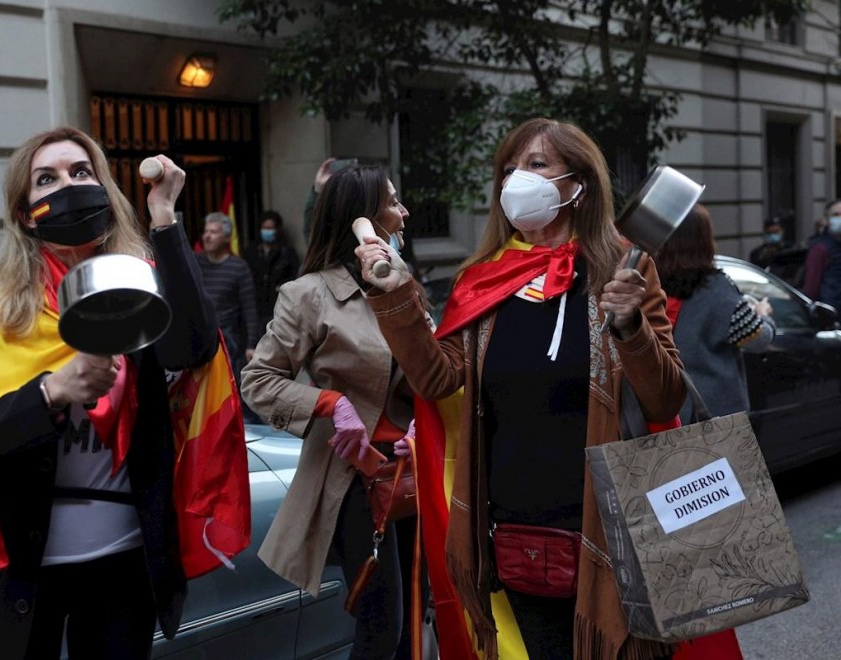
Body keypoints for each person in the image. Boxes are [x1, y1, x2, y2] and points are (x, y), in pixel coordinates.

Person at [356, 117, 687, 660]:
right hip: (518, 537)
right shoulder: (483, 277)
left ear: (578, 186)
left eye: (536, 165)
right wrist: (395, 297)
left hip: (613, 530)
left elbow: (665, 399)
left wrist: (631, 328)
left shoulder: (625, 269)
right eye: (508, 169)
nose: (516, 180)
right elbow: (437, 377)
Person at [0, 126, 250, 660]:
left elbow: (195, 348)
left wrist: (165, 219)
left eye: (81, 172)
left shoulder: (138, 284)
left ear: (104, 188)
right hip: (27, 567)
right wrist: (53, 392)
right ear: (23, 211)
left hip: (123, 560)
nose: (69, 185)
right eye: (47, 179)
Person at [241, 164, 419, 660]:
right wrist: (330, 404)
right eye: (392, 202)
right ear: (361, 220)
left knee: (411, 628)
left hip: (411, 472)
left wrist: (422, 425)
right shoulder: (308, 295)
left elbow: (429, 375)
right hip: (355, 480)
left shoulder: (400, 283)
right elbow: (257, 380)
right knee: (382, 627)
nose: (403, 213)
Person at [656, 204, 775, 422]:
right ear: (703, 240)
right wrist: (763, 313)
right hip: (711, 414)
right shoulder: (715, 288)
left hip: (663, 408)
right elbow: (758, 339)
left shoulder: (649, 281)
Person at [196, 211, 262, 377]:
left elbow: (250, 309)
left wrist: (251, 344)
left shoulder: (238, 267)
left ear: (227, 238)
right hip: (199, 337)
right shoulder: (195, 262)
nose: (207, 236)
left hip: (228, 340)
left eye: (213, 232)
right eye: (206, 231)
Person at [245, 209, 300, 328]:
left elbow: (292, 278)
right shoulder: (252, 251)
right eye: (264, 228)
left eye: (270, 228)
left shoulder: (287, 253)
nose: (267, 232)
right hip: (256, 306)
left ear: (277, 230)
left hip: (278, 307)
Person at [802, 198, 841, 311]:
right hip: (831, 313)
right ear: (828, 220)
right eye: (836, 214)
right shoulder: (820, 248)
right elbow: (811, 288)